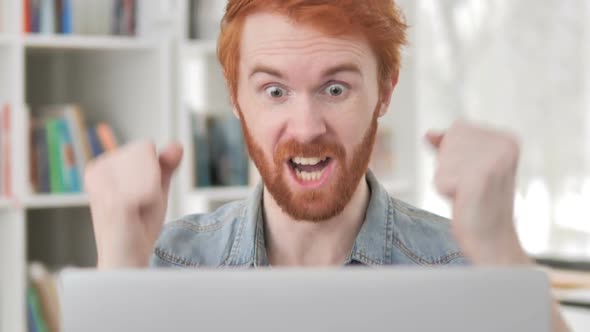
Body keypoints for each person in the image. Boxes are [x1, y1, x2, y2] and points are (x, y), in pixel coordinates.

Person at [84, 0, 569, 330]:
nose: (307, 127)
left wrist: (501, 253)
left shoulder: (469, 266)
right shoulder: (161, 267)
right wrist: (118, 268)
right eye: (275, 91)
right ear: (236, 98)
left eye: (335, 88)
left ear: (385, 91)